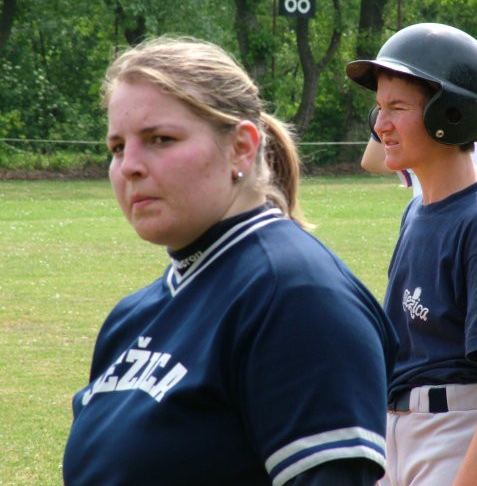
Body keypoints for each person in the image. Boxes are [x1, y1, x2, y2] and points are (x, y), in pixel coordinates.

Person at [62, 36, 399, 486]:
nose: (129, 166)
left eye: (160, 139)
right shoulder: (130, 317)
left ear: (241, 146)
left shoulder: (296, 297)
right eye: (118, 147)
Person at [346, 23, 477, 485]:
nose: (380, 125)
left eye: (397, 108)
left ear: (452, 112)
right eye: (379, 108)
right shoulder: (418, 212)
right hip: (405, 433)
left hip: (461, 434)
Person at [360, 103, 477, 194]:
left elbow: (461, 193)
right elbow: (372, 161)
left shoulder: (474, 134)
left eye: (399, 107)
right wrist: (387, 108)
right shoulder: (425, 137)